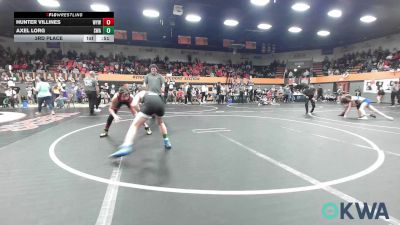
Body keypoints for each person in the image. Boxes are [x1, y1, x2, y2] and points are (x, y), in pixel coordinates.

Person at [109, 88, 172, 158]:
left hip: (149, 105)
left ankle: (127, 146)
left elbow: (134, 104)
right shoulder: (152, 93)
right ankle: (166, 141)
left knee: (134, 126)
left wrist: (140, 111)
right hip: (160, 105)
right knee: (160, 123)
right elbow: (158, 101)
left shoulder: (140, 93)